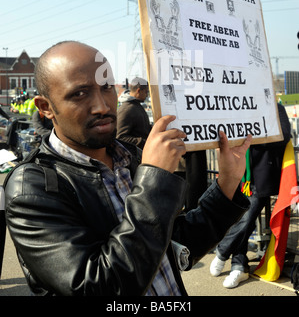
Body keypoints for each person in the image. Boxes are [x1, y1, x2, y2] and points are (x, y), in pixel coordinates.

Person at [4, 41, 251, 296]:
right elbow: (101, 286)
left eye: (107, 87)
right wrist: (154, 181)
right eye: (79, 94)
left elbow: (175, 243)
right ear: (45, 108)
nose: (102, 106)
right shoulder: (32, 188)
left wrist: (227, 182)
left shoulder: (129, 157)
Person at [210, 103, 291, 288]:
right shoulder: (238, 107)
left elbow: (285, 135)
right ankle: (239, 266)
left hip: (261, 176)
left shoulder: (276, 107)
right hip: (239, 174)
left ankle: (223, 251)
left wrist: (251, 138)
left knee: (245, 220)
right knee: (239, 219)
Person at [116, 77, 151, 148]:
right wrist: (145, 142)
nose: (147, 95)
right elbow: (120, 138)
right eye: (146, 92)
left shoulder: (136, 105)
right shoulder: (127, 109)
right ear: (138, 91)